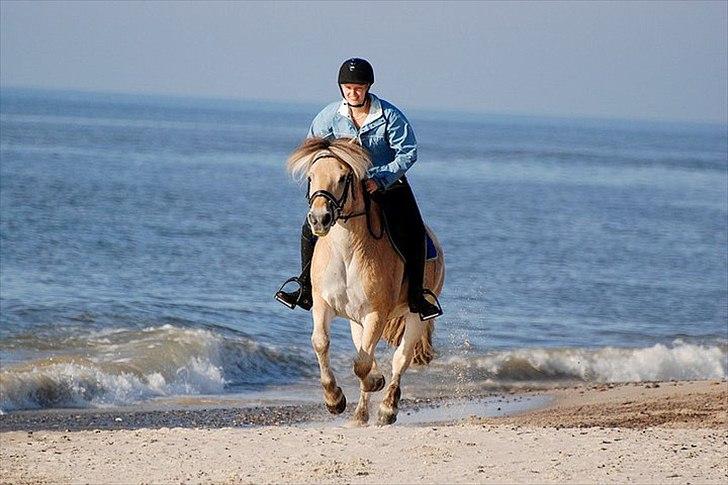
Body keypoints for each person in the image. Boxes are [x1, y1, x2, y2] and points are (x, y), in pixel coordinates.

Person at [275, 58, 443, 321]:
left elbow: (408, 152)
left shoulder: (389, 115)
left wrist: (379, 177)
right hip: (345, 188)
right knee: (310, 228)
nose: (353, 93)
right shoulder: (330, 116)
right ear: (341, 88)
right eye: (348, 88)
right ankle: (305, 288)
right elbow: (313, 146)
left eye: (359, 88)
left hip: (388, 185)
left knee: (412, 230)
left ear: (368, 87)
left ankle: (417, 296)